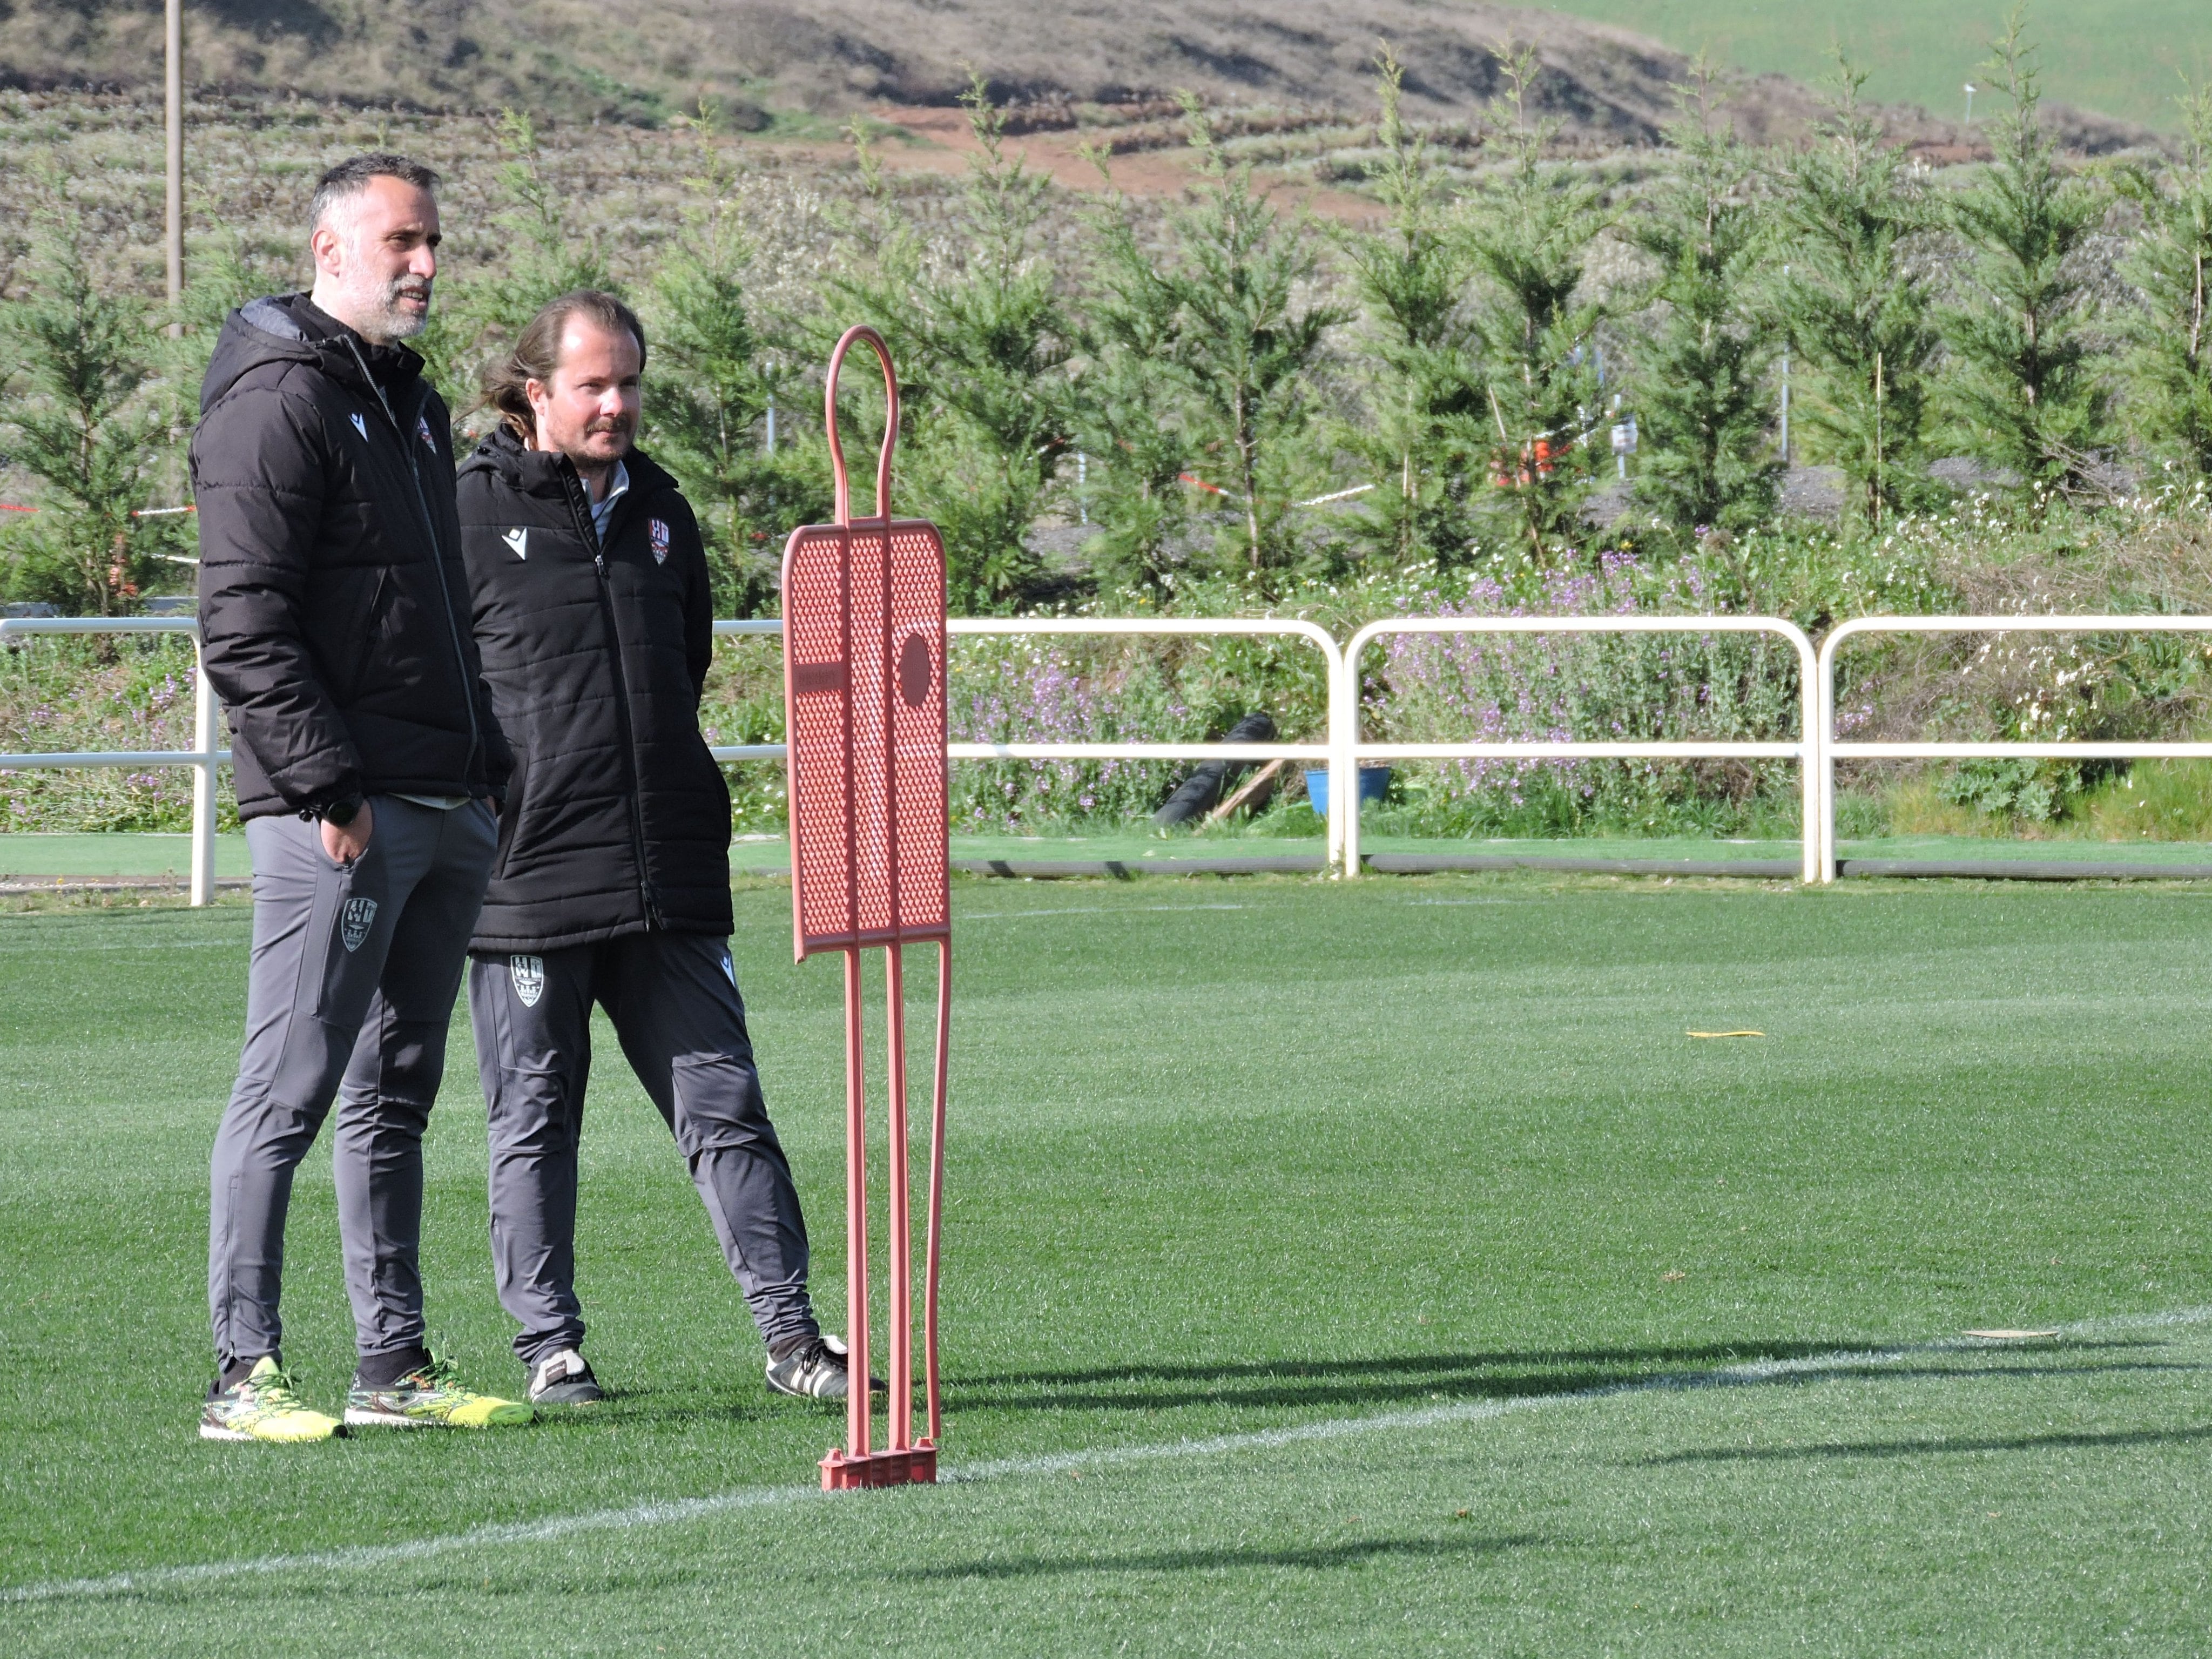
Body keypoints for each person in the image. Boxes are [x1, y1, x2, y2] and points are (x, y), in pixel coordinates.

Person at [456, 290, 862, 1406]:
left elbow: (682, 669)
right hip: (526, 878)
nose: (618, 403)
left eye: (629, 381)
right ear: (535, 391)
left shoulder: (665, 512)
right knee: (535, 1122)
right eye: (594, 384)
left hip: (669, 868)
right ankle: (550, 1350)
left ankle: (793, 1339)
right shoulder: (466, 512)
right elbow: (439, 687)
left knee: (726, 1106)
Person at [193, 154, 532, 1442]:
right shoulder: (276, 399)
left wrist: (482, 760)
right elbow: (243, 621)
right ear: (330, 248)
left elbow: (436, 610)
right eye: (401, 241)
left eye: (433, 241)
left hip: (440, 798)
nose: (426, 264)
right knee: (287, 1088)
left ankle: (391, 1366)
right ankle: (243, 1374)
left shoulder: (407, 398)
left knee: (398, 1091)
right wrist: (329, 785)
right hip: (339, 812)